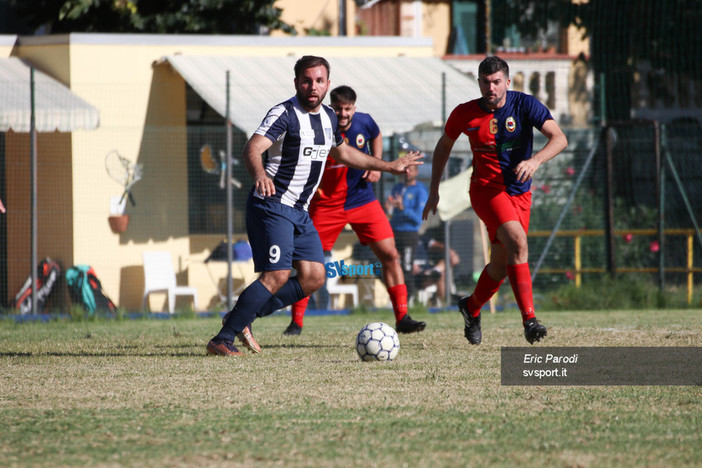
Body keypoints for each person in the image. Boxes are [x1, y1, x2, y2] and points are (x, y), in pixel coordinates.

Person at [206, 56, 423, 356]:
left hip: (300, 211)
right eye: (307, 80)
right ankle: (223, 338)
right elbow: (252, 147)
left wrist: (387, 165)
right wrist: (259, 174)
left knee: (314, 277)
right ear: (296, 82)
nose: (313, 87)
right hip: (272, 205)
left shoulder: (330, 117)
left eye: (319, 81)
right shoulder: (284, 113)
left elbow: (344, 153)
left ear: (328, 84)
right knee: (277, 275)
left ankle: (241, 317)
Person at [422, 56, 567, 345]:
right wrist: (434, 189)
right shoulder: (465, 113)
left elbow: (559, 138)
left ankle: (471, 307)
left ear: (507, 83)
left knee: (501, 265)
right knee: (518, 241)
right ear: (479, 83)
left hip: (520, 193)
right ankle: (529, 320)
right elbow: (444, 146)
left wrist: (535, 160)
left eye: (497, 82)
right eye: (486, 82)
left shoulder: (525, 105)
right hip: (486, 191)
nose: (491, 88)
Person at [281, 85, 426, 336]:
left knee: (390, 255)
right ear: (330, 107)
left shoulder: (364, 122)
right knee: (307, 262)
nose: (343, 114)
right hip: (326, 205)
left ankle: (402, 317)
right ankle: (296, 322)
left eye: (348, 109)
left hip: (362, 201)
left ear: (354, 108)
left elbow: (376, 134)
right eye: (338, 109)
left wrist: (378, 166)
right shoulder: (320, 125)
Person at [386, 164, 428, 301]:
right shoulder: (397, 188)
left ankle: (407, 300)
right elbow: (391, 211)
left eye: (411, 169)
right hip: (393, 233)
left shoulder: (420, 191)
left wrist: (403, 208)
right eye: (405, 169)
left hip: (409, 235)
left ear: (416, 172)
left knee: (407, 267)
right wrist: (389, 208)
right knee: (388, 264)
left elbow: (418, 219)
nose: (407, 172)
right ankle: (394, 297)